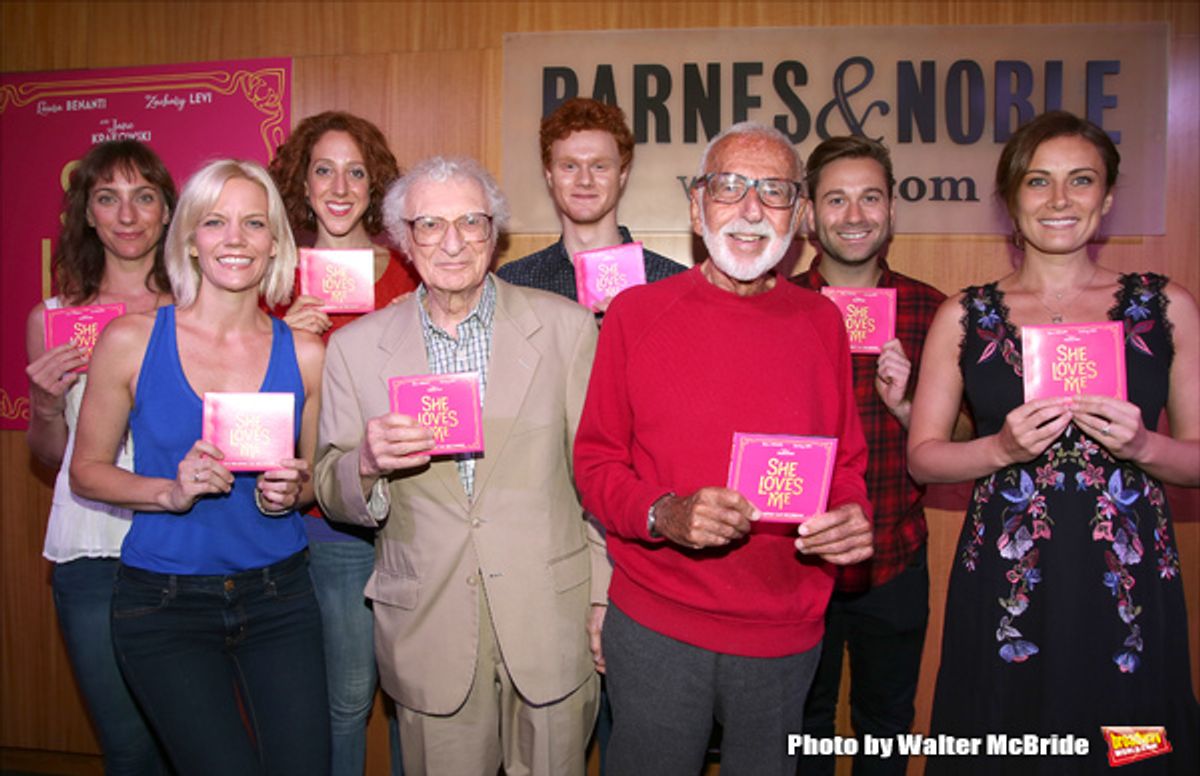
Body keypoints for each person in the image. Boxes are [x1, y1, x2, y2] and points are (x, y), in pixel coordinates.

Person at [573, 122, 874, 776]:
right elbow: (595, 465)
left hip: (784, 637)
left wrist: (850, 518)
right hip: (657, 627)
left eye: (772, 192)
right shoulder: (635, 314)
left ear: (797, 215)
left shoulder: (823, 322)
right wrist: (662, 513)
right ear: (695, 205)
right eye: (729, 187)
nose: (749, 210)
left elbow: (846, 464)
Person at [908, 110, 1199, 774]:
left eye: (1081, 180)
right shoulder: (967, 314)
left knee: (1130, 741)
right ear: (1010, 199)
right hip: (1010, 580)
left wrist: (1145, 446)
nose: (1060, 201)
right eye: (1038, 182)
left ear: (1108, 197)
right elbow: (923, 455)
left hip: (1126, 580)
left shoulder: (1165, 306)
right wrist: (999, 450)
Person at [314, 156, 604, 776]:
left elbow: (598, 481)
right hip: (429, 627)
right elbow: (328, 484)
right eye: (429, 224)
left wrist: (604, 597)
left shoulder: (567, 330)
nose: (452, 242)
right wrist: (364, 464)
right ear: (402, 236)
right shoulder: (354, 348)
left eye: (471, 222)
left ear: (493, 233)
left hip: (551, 620)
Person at [69, 159, 330, 776]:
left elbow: (315, 477)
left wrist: (291, 491)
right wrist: (169, 492)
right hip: (164, 605)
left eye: (253, 224)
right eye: (215, 222)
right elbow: (86, 471)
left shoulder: (310, 354)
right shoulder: (130, 341)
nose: (235, 239)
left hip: (280, 597)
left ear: (274, 244)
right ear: (189, 237)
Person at [269, 110, 417, 776]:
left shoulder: (409, 274)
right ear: (302, 181)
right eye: (323, 169)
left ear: (375, 184)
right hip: (322, 516)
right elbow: (238, 401)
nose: (339, 185)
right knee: (347, 695)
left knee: (417, 689)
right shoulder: (271, 276)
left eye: (355, 171)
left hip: (410, 506)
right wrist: (280, 337)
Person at [790, 136, 944, 776]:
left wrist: (910, 406)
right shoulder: (777, 307)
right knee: (803, 724)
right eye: (836, 198)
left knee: (887, 727)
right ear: (808, 214)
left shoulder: (935, 312)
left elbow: (957, 441)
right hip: (798, 560)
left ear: (892, 210)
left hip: (894, 556)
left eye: (870, 197)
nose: (854, 215)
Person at [25, 139, 175, 776]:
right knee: (128, 747)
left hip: (181, 544)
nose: (128, 214)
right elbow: (52, 456)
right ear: (87, 215)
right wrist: (45, 404)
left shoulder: (198, 311)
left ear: (169, 211)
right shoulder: (53, 318)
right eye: (107, 198)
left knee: (191, 743)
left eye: (144, 196)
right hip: (92, 551)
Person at [496, 97, 684, 313]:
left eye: (599, 166)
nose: (585, 180)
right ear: (549, 175)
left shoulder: (671, 284)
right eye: (569, 166)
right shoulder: (514, 283)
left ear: (623, 174)